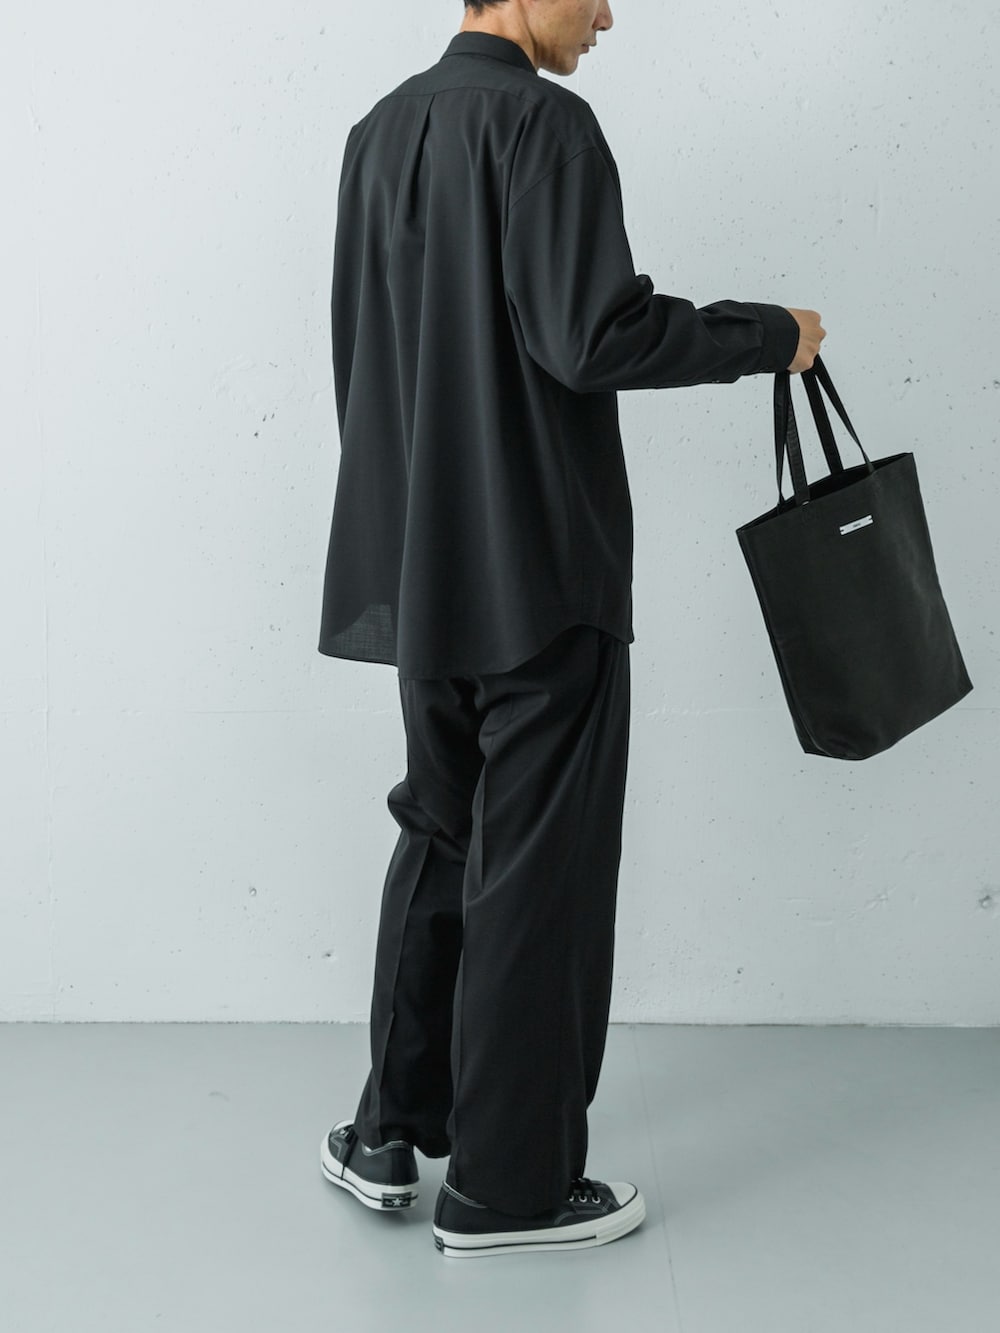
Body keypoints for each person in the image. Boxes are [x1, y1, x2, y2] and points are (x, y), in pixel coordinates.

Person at [317, 0, 826, 1259]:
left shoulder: (376, 131)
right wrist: (769, 335)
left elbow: (361, 350)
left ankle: (388, 1129)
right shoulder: (546, 127)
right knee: (536, 876)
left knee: (440, 831)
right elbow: (591, 334)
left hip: (418, 570)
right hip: (541, 573)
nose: (607, 14)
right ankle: (509, 1189)